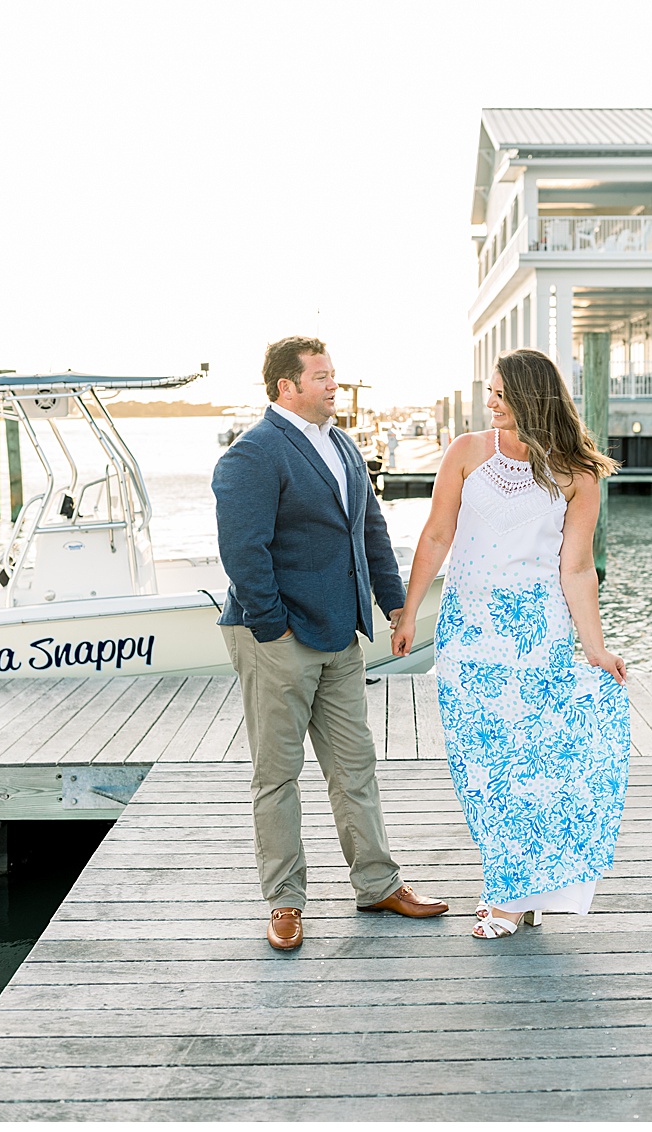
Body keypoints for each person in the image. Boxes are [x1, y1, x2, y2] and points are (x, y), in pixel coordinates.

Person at [212, 336, 450, 952]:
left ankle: (377, 884)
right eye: (320, 377)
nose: (332, 385)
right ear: (285, 386)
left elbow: (368, 529)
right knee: (278, 775)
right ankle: (285, 902)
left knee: (355, 767)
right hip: (278, 639)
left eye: (333, 375)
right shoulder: (252, 454)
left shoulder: (342, 444)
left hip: (343, 637)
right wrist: (273, 627)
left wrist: (397, 605)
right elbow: (244, 554)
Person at [390, 348, 630, 940]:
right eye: (490, 392)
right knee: (479, 767)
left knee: (529, 766)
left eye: (500, 393)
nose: (489, 401)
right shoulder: (467, 452)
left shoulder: (579, 475)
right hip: (467, 632)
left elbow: (577, 569)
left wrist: (593, 647)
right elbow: (438, 533)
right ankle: (518, 883)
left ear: (530, 396)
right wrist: (409, 610)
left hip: (536, 636)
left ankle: (511, 893)